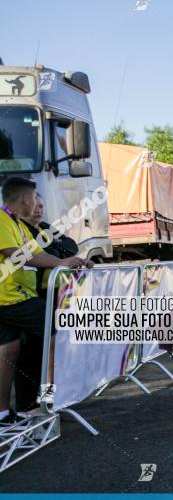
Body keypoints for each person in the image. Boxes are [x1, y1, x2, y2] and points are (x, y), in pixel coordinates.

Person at [0, 177, 91, 424]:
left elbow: (39, 254)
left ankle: (4, 414)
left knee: (9, 350)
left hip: (15, 296)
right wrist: (62, 262)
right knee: (54, 335)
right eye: (35, 198)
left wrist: (72, 262)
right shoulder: (2, 221)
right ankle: (48, 399)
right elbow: (17, 256)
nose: (38, 203)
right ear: (25, 199)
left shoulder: (15, 223)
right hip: (9, 298)